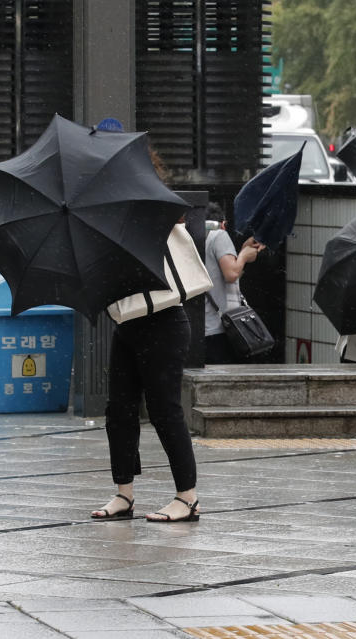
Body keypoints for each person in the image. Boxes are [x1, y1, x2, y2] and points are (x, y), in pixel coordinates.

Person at [91, 128, 200, 523]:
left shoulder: (148, 199)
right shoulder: (102, 208)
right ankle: (124, 493)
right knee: (118, 409)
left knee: (164, 409)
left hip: (164, 319)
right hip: (128, 321)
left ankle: (187, 497)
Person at [204, 203, 266, 364]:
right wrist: (244, 256)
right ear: (223, 223)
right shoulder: (219, 235)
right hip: (223, 328)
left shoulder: (197, 239)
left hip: (204, 328)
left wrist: (241, 253)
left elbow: (222, 275)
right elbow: (231, 274)